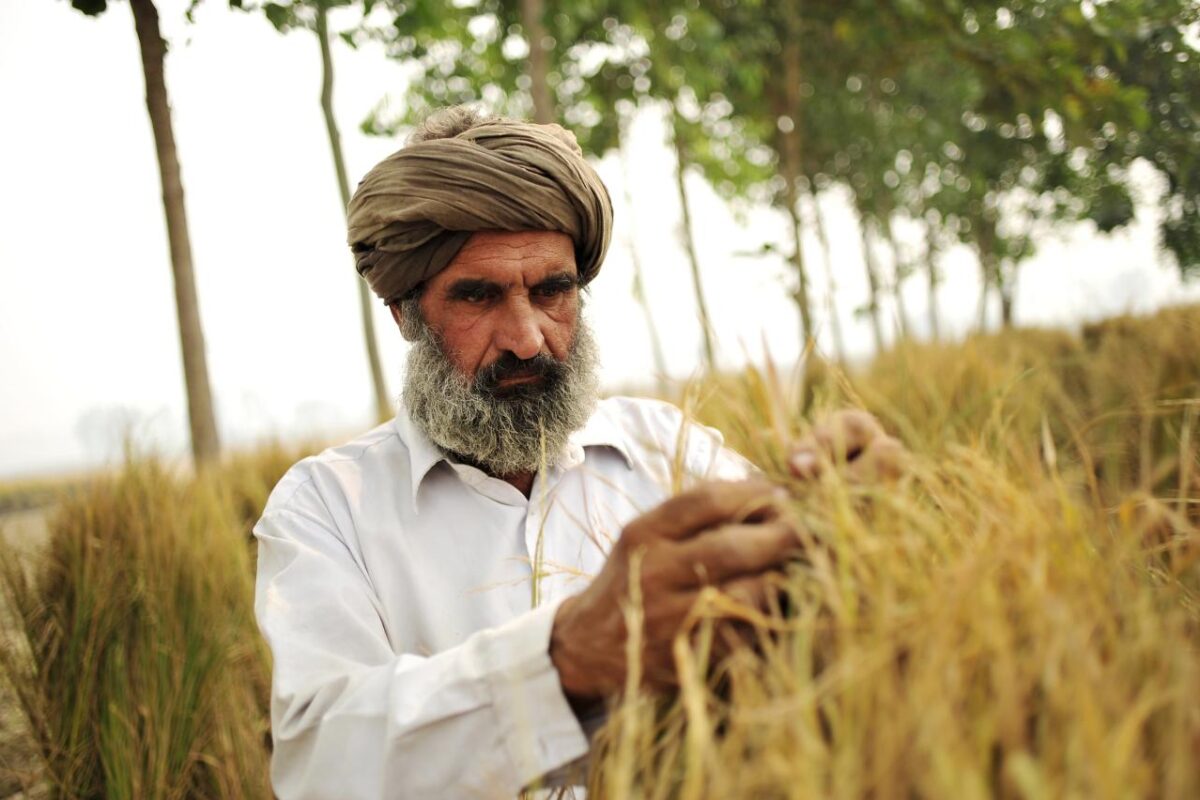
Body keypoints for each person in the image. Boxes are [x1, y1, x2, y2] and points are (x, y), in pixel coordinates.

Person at [252, 106, 904, 799]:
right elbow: (323, 760)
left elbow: (808, 625)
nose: (528, 338)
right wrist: (564, 659)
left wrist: (852, 523)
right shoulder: (326, 508)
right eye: (478, 296)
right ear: (404, 313)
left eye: (552, 290)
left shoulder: (667, 451)